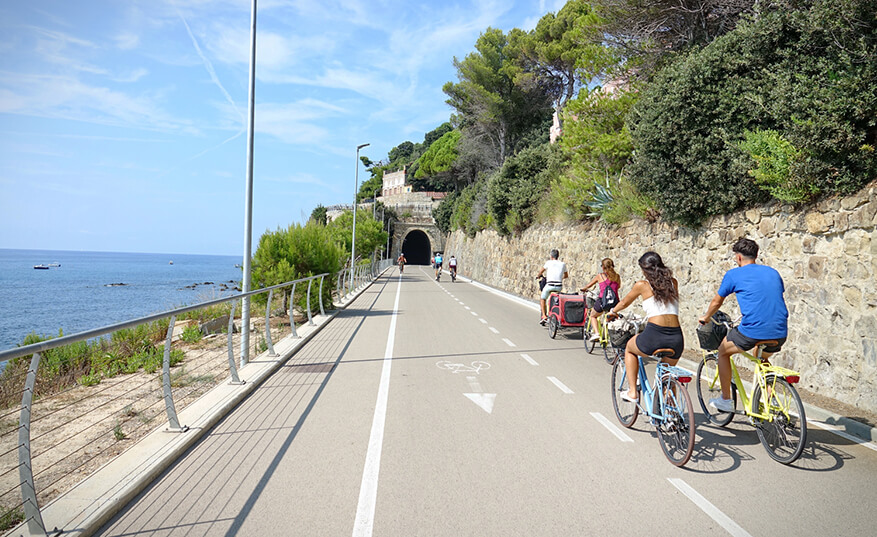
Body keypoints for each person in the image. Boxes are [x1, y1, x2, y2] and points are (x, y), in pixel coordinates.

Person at [698, 238, 788, 412]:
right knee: (762, 357)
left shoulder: (734, 274)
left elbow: (717, 301)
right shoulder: (773, 272)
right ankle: (770, 397)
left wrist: (706, 316)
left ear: (738, 258)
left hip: (753, 329)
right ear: (756, 255)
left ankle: (726, 400)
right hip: (780, 330)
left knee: (723, 352)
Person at [607, 251, 683, 403]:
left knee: (629, 348)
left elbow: (624, 303)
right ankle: (672, 415)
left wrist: (612, 312)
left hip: (655, 334)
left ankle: (633, 392)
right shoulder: (672, 282)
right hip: (676, 338)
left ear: (644, 269)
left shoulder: (642, 285)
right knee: (666, 374)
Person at [581, 258, 621, 342]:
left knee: (593, 315)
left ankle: (596, 333)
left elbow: (589, 285)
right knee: (612, 317)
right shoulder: (617, 276)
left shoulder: (600, 276)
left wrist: (584, 288)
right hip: (615, 302)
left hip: (603, 302)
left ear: (603, 267)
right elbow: (618, 287)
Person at [535, 249, 568, 325]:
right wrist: (560, 278)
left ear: (551, 256)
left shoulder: (548, 263)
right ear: (558, 256)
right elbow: (566, 275)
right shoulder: (563, 264)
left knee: (543, 298)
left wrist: (538, 275)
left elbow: (541, 272)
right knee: (558, 299)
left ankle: (544, 316)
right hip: (559, 286)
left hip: (549, 285)